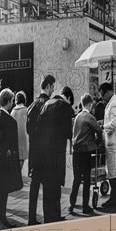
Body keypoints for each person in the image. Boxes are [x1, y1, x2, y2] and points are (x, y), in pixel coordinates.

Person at [38, 85, 75, 223]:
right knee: (56, 186)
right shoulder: (65, 107)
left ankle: (48, 216)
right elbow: (68, 133)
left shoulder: (47, 103)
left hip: (44, 152)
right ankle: (56, 215)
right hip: (57, 152)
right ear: (69, 98)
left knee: (47, 185)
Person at [0, 88, 23, 230]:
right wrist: (6, 150)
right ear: (8, 101)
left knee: (4, 190)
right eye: (11, 100)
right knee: (0, 190)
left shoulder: (1, 116)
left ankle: (3, 219)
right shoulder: (3, 118)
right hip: (3, 161)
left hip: (3, 160)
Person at [26, 74, 55, 225]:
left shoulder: (32, 105)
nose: (53, 89)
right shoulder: (49, 104)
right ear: (49, 86)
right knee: (48, 186)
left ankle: (31, 218)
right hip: (46, 152)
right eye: (53, 86)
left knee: (34, 186)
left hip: (34, 151)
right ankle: (48, 216)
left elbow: (28, 129)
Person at [70, 93, 102, 215]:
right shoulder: (89, 116)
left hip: (76, 152)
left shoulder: (77, 116)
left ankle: (71, 205)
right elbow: (98, 130)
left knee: (77, 179)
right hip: (85, 152)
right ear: (89, 104)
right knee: (87, 179)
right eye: (92, 105)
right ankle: (85, 206)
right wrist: (99, 142)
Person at [11, 91, 29, 170]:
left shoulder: (13, 111)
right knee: (22, 157)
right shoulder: (26, 110)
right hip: (23, 136)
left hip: (15, 136)